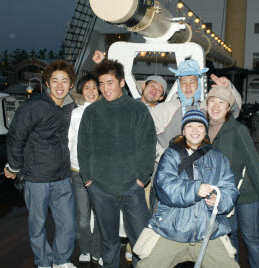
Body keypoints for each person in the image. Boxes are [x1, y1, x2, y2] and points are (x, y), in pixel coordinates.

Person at [135, 110, 240, 268]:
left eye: (199, 126)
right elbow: (165, 186)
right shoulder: (170, 155)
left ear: (205, 130)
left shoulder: (218, 157)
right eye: (190, 126)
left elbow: (230, 188)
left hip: (207, 232)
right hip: (172, 230)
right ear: (183, 131)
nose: (195, 130)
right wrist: (195, 189)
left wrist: (219, 200)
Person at [77, 59, 156, 268]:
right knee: (108, 241)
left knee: (141, 240)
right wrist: (88, 181)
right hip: (100, 188)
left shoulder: (138, 110)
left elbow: (148, 146)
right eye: (101, 84)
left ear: (121, 82)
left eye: (110, 83)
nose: (105, 88)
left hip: (132, 186)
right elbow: (83, 148)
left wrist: (142, 178)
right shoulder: (92, 112)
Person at [4, 60, 77, 268]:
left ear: (71, 84)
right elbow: (16, 137)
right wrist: (14, 167)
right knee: (37, 225)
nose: (60, 85)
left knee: (68, 223)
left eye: (65, 81)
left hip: (63, 176)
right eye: (55, 81)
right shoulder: (34, 106)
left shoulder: (71, 106)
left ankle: (61, 260)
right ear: (47, 83)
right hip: (36, 177)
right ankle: (44, 261)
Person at [206, 85, 259, 268]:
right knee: (231, 235)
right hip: (223, 196)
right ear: (206, 104)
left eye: (221, 102)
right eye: (212, 100)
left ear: (229, 108)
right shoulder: (202, 130)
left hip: (245, 194)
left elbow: (254, 163)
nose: (216, 105)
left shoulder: (237, 130)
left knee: (251, 237)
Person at [68, 73, 103, 266]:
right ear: (81, 90)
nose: (90, 91)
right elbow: (69, 142)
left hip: (100, 173)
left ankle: (97, 250)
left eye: (94, 87)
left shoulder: (106, 111)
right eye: (87, 87)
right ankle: (85, 248)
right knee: (82, 217)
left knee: (99, 215)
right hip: (78, 171)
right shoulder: (75, 113)